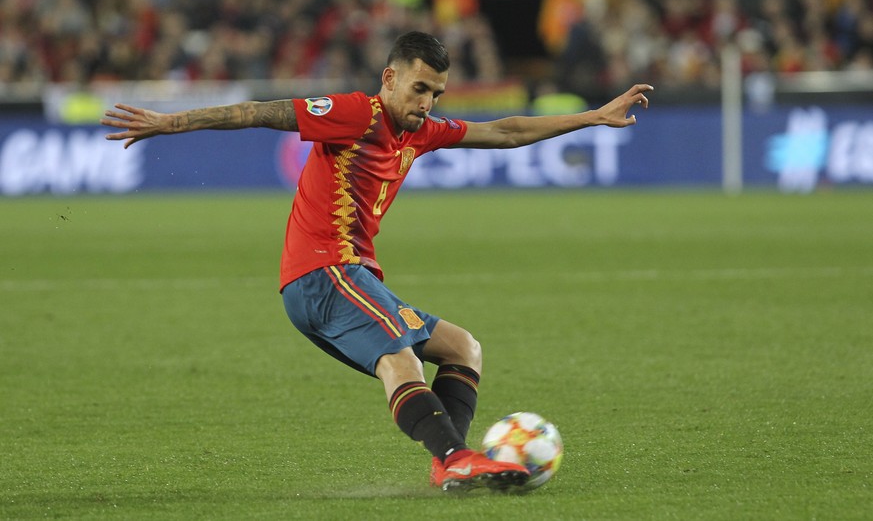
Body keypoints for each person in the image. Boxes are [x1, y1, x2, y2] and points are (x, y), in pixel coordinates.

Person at [101, 31, 652, 492]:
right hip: (323, 273)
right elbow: (259, 112)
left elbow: (506, 131)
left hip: (351, 276)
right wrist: (171, 124)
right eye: (418, 89)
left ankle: (448, 461)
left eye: (435, 93)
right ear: (389, 79)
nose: (428, 103)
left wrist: (594, 117)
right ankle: (457, 459)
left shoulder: (420, 132)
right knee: (400, 358)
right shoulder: (353, 114)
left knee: (463, 348)